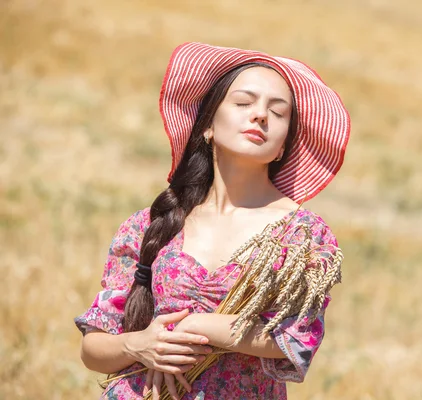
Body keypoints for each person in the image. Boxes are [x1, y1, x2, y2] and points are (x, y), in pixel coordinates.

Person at [74, 42, 351, 400]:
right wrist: (140, 344)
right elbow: (92, 349)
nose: (260, 115)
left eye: (277, 112)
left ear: (283, 147)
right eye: (243, 103)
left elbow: (296, 339)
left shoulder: (303, 234)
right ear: (207, 125)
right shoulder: (152, 223)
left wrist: (197, 325)